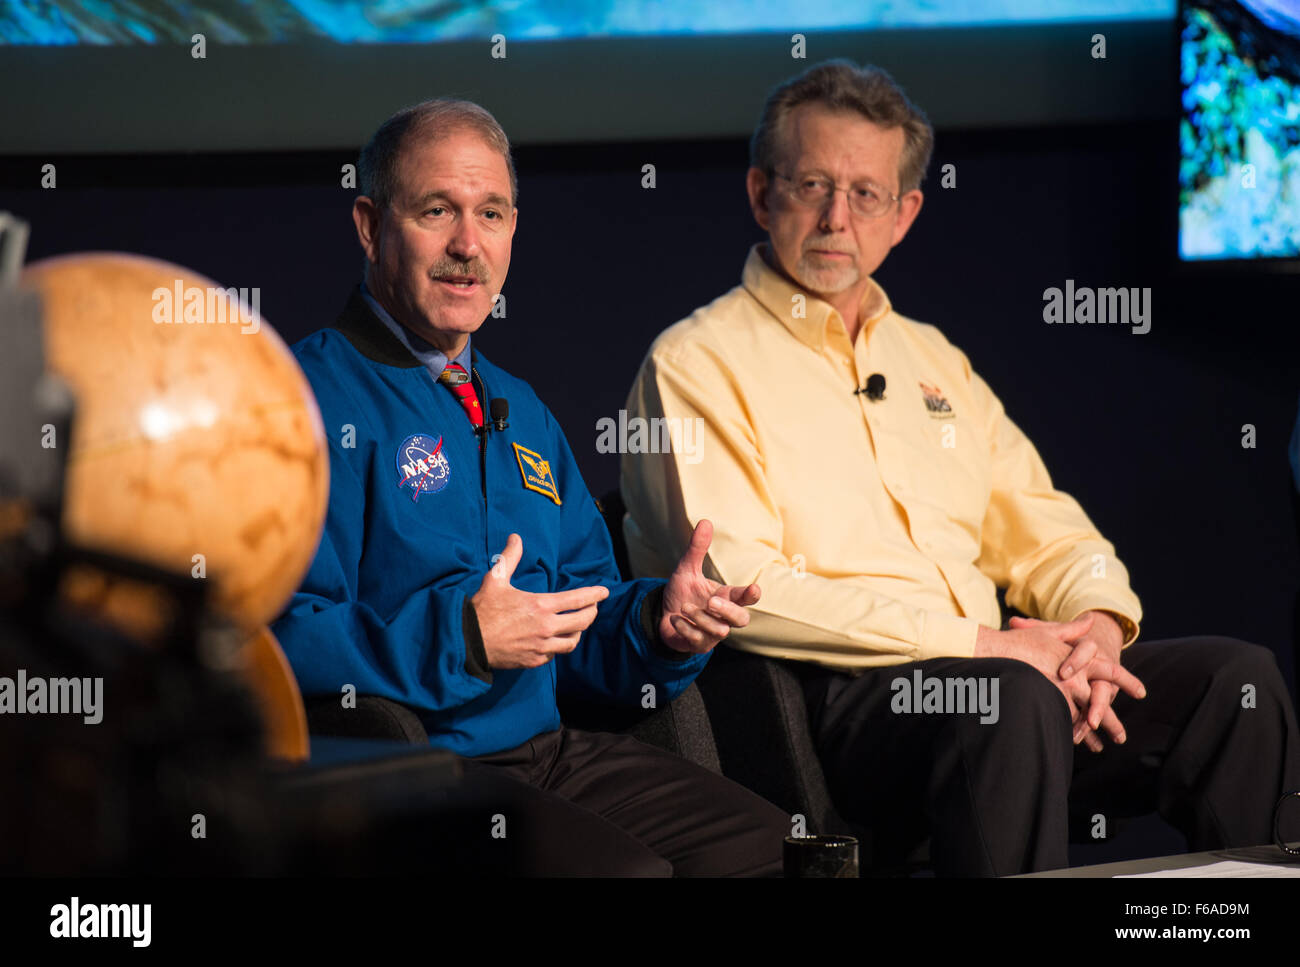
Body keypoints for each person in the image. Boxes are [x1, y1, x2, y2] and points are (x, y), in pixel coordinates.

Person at [619, 60, 1300, 876]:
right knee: (1003, 698)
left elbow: (1047, 526)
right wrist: (984, 647)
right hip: (842, 704)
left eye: (866, 193)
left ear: (903, 214)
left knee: (1235, 683)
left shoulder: (933, 359)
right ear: (763, 194)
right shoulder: (697, 362)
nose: (838, 217)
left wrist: (1097, 629)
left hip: (1008, 692)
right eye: (812, 186)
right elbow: (739, 584)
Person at [271, 97, 789, 876]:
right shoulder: (301, 399)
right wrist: (465, 637)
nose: (467, 245)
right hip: (414, 771)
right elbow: (278, 639)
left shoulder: (523, 411)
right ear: (371, 226)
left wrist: (656, 623)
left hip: (548, 754)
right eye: (436, 210)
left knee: (778, 848)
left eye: (493, 213)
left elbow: (581, 627)